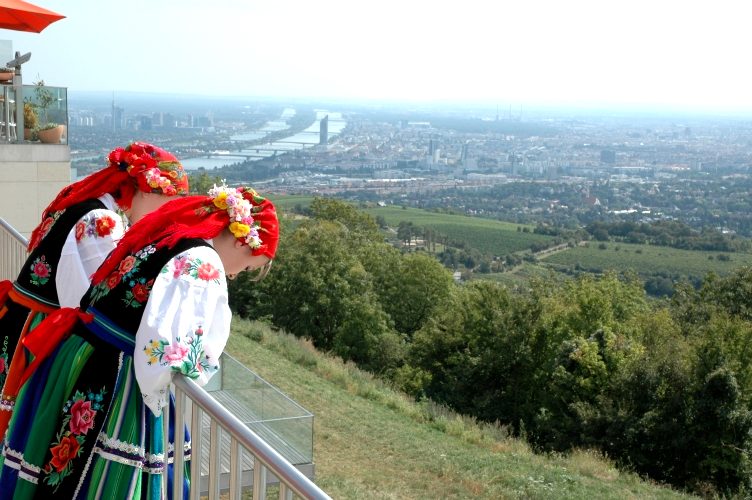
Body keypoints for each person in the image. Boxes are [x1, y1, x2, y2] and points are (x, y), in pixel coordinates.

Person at [0, 184, 279, 498]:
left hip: (82, 351)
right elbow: (168, 349)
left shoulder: (172, 237)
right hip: (114, 372)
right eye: (245, 267)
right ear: (244, 242)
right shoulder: (203, 262)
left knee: (61, 462)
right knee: (100, 478)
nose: (235, 274)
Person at [0, 142, 189, 436]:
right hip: (38, 331)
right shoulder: (103, 220)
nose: (168, 217)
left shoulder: (89, 202)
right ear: (148, 190)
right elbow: (98, 298)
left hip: (22, 318)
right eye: (168, 205)